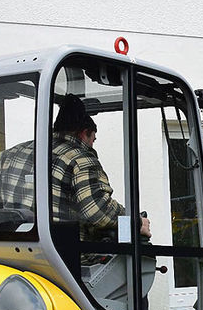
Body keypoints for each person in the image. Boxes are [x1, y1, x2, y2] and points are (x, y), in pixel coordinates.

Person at [51, 93, 150, 241]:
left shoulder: (12, 155)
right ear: (84, 134)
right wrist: (136, 221)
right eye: (93, 140)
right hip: (70, 256)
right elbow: (97, 212)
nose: (92, 145)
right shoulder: (81, 159)